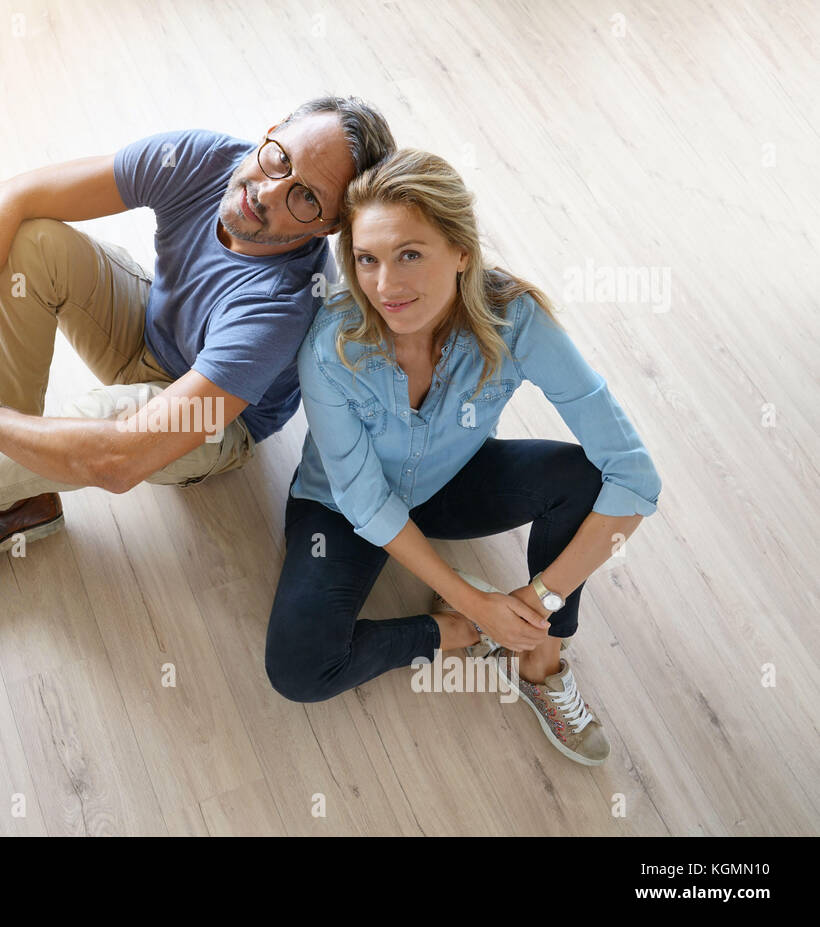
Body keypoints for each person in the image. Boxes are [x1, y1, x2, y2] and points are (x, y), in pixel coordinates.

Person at [0, 97, 397, 576]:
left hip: (211, 423)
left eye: (306, 197)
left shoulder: (281, 306)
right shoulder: (200, 158)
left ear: (331, 225)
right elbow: (10, 198)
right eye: (278, 158)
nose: (267, 191)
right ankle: (24, 495)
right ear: (271, 131)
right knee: (33, 242)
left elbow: (119, 462)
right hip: (148, 328)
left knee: (107, 433)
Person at [265, 148, 661, 766]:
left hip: (451, 482)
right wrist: (478, 608)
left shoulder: (516, 320)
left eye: (411, 255)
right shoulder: (329, 347)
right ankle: (461, 631)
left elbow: (634, 475)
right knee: (299, 668)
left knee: (582, 477)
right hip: (342, 507)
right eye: (367, 260)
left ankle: (538, 658)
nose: (386, 287)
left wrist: (536, 607)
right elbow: (366, 499)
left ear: (462, 253)